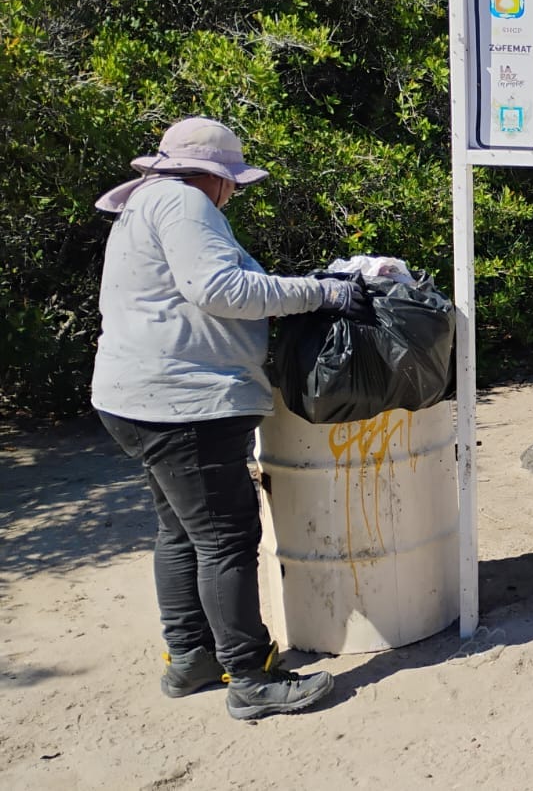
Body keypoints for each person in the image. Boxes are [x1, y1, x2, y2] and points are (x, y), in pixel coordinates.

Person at [92, 117, 369, 719]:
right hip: (186, 404)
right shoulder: (185, 203)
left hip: (135, 399)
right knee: (225, 538)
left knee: (181, 532)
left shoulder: (146, 204)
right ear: (215, 178)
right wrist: (322, 292)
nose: (235, 193)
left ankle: (190, 659)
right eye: (234, 182)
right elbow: (223, 290)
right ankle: (250, 678)